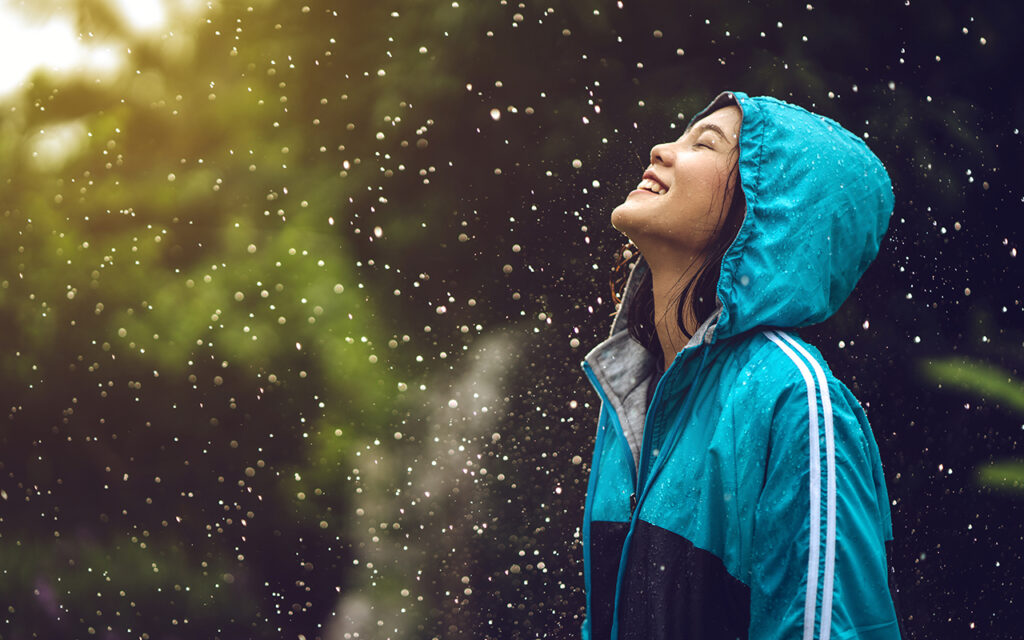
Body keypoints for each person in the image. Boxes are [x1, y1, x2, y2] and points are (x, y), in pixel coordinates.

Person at [579, 91, 903, 639]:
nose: (661, 150)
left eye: (704, 144)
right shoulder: (633, 389)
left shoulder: (794, 399)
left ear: (770, 211)